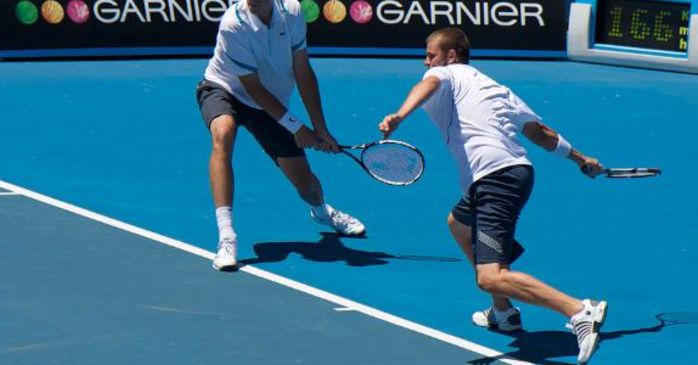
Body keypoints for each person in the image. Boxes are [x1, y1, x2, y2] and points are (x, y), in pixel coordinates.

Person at [378, 27, 608, 364]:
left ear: (451, 56)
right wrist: (580, 159)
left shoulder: (444, 73)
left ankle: (579, 310)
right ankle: (503, 312)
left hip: (494, 180)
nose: (425, 61)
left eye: (431, 55)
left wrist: (399, 115)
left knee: (490, 276)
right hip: (517, 173)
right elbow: (541, 134)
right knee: (458, 224)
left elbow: (428, 84)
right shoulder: (497, 89)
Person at [196, 0, 365, 271]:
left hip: (268, 100)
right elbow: (253, 89)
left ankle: (322, 212)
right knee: (223, 132)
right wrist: (297, 127)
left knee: (306, 186)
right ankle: (227, 237)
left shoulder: (293, 11)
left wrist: (320, 129)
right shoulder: (233, 24)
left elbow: (302, 70)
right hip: (224, 87)